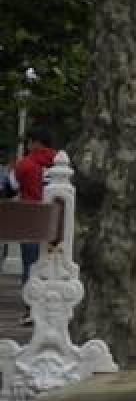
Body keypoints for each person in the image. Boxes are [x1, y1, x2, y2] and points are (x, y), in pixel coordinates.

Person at [10, 128, 55, 323]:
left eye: (28, 143)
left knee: (30, 265)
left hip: (31, 221)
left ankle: (31, 309)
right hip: (58, 223)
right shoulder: (61, 162)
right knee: (55, 267)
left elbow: (10, 187)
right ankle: (53, 310)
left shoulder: (25, 164)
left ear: (35, 142)